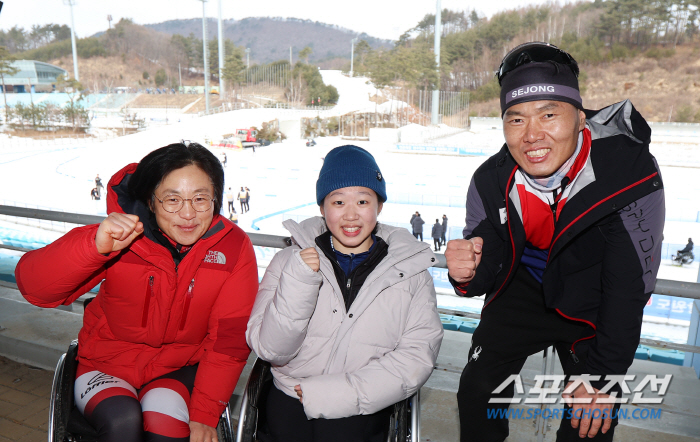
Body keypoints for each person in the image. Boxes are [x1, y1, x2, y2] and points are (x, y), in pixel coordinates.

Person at [444, 42, 664, 442]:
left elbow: (628, 287)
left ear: (580, 118)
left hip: (594, 298)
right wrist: (466, 273)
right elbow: (485, 269)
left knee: (589, 421)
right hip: (523, 288)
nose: (532, 136)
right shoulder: (490, 178)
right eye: (516, 120)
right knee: (476, 393)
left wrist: (600, 380)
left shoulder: (628, 173)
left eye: (549, 114)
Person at [16, 142, 259, 442]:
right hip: (105, 364)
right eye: (172, 199)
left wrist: (205, 414)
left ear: (216, 199)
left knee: (165, 426)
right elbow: (34, 288)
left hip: (176, 370)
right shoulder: (122, 237)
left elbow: (229, 340)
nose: (188, 214)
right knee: (122, 419)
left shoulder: (232, 249)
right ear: (151, 201)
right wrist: (93, 247)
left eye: (200, 199)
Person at [246, 145, 443, 442]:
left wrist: (336, 395)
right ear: (322, 208)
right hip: (289, 399)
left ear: (379, 206)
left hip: (363, 406)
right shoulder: (289, 261)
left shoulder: (410, 272)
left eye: (363, 201)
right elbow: (271, 349)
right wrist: (299, 281)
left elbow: (416, 357)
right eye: (338, 202)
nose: (351, 215)